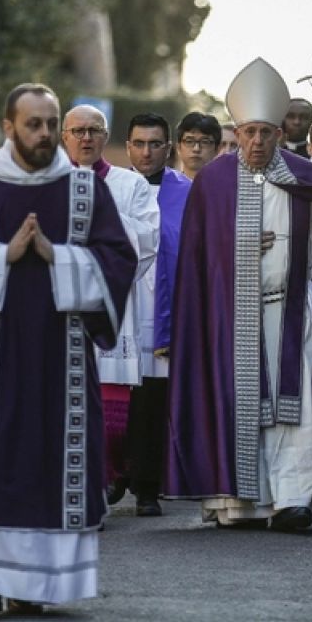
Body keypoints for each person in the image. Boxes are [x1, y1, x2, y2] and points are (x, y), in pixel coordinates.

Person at [0, 83, 136, 614]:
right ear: (8, 126)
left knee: (48, 458)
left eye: (50, 123)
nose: (44, 134)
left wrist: (56, 256)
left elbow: (118, 258)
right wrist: (2, 255)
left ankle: (39, 584)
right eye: (33, 124)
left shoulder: (85, 191)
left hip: (60, 362)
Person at [164, 58, 312, 532]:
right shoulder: (214, 182)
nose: (256, 142)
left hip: (294, 311)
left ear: (279, 132)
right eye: (248, 132)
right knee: (240, 404)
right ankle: (242, 503)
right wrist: (236, 249)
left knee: (297, 406)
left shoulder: (306, 176)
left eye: (265, 133)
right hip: (231, 318)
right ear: (237, 130)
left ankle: (292, 500)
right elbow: (196, 258)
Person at [62, 104, 160, 509]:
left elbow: (148, 240)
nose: (86, 138)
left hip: (112, 311)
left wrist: (98, 210)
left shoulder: (130, 185)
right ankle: (82, 488)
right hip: (61, 309)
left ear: (105, 137)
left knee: (112, 417)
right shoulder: (45, 182)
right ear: (64, 136)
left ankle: (106, 476)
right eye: (77, 131)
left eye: (93, 130)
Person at [123, 112, 191, 516]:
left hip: (166, 314)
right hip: (123, 308)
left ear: (169, 147)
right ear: (128, 145)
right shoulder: (112, 186)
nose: (147, 152)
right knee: (117, 398)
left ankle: (148, 485)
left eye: (155, 144)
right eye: (139, 143)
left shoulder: (189, 192)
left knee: (152, 401)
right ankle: (113, 476)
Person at [175, 111, 221, 178]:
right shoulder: (165, 186)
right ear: (178, 147)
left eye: (205, 142)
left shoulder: (228, 187)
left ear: (217, 149)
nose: (196, 149)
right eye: (189, 141)